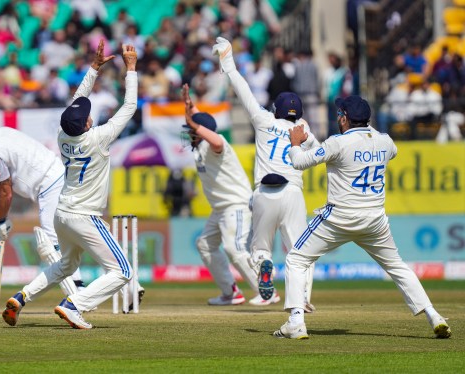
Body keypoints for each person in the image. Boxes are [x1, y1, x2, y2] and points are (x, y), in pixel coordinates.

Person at [274, 95, 452, 339]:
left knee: (295, 259)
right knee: (397, 267)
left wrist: (296, 143)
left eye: (340, 114)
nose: (338, 118)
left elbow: (299, 163)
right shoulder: (385, 141)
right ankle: (434, 315)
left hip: (339, 217)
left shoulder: (337, 142)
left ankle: (296, 321)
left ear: (345, 118)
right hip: (374, 220)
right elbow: (392, 151)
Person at [2, 41, 140, 329]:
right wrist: (131, 69)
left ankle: (21, 296)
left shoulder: (63, 135)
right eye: (88, 115)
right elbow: (129, 106)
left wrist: (93, 69)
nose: (90, 114)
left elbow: (75, 102)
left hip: (61, 214)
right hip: (84, 216)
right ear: (87, 124)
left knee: (66, 265)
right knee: (123, 271)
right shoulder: (98, 138)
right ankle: (74, 304)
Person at [212, 37, 317, 311]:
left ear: (276, 109)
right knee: (300, 252)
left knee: (259, 249)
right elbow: (319, 155)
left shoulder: (264, 120)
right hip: (293, 192)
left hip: (264, 192)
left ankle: (264, 266)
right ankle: (302, 298)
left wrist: (228, 61)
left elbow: (243, 89)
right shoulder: (303, 129)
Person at [0, 121, 84, 314]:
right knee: (75, 230)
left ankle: (77, 291)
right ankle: (85, 286)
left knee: (52, 239)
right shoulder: (2, 133)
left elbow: (6, 192)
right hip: (59, 173)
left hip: (49, 185)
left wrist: (0, 221)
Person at [182, 84, 274, 306]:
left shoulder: (215, 146)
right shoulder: (200, 149)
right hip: (220, 209)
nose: (189, 134)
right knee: (205, 244)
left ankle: (266, 292)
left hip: (237, 205)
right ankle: (231, 292)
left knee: (235, 248)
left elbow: (215, 138)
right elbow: (206, 123)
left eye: (192, 130)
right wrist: (191, 107)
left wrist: (195, 123)